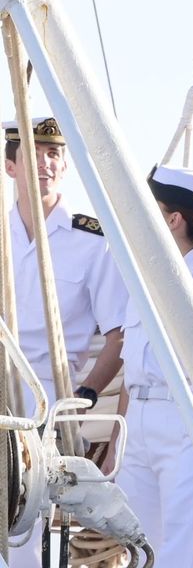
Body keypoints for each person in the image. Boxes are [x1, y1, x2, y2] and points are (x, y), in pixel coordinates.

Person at [4, 117, 128, 566]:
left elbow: (119, 335)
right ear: (10, 165)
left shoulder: (91, 240)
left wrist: (87, 393)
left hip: (49, 407)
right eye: (34, 153)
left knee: (26, 532)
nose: (46, 163)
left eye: (54, 154)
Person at [105, 165, 193, 567]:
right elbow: (130, 370)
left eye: (150, 209)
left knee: (186, 551)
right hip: (137, 426)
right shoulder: (143, 279)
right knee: (136, 550)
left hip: (185, 424)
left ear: (174, 220)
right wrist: (117, 443)